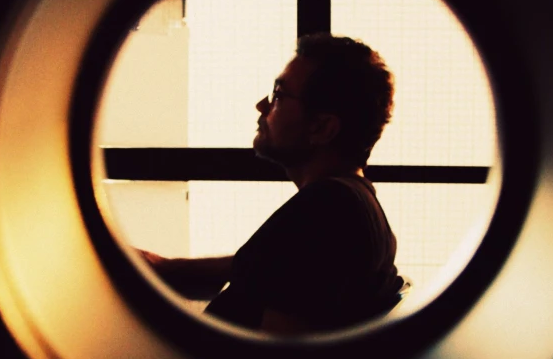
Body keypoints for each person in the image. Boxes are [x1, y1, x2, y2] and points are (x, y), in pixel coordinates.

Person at [138, 33, 403, 334]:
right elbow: (262, 268)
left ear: (322, 127)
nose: (261, 105)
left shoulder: (326, 212)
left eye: (278, 95)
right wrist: (162, 267)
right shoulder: (349, 203)